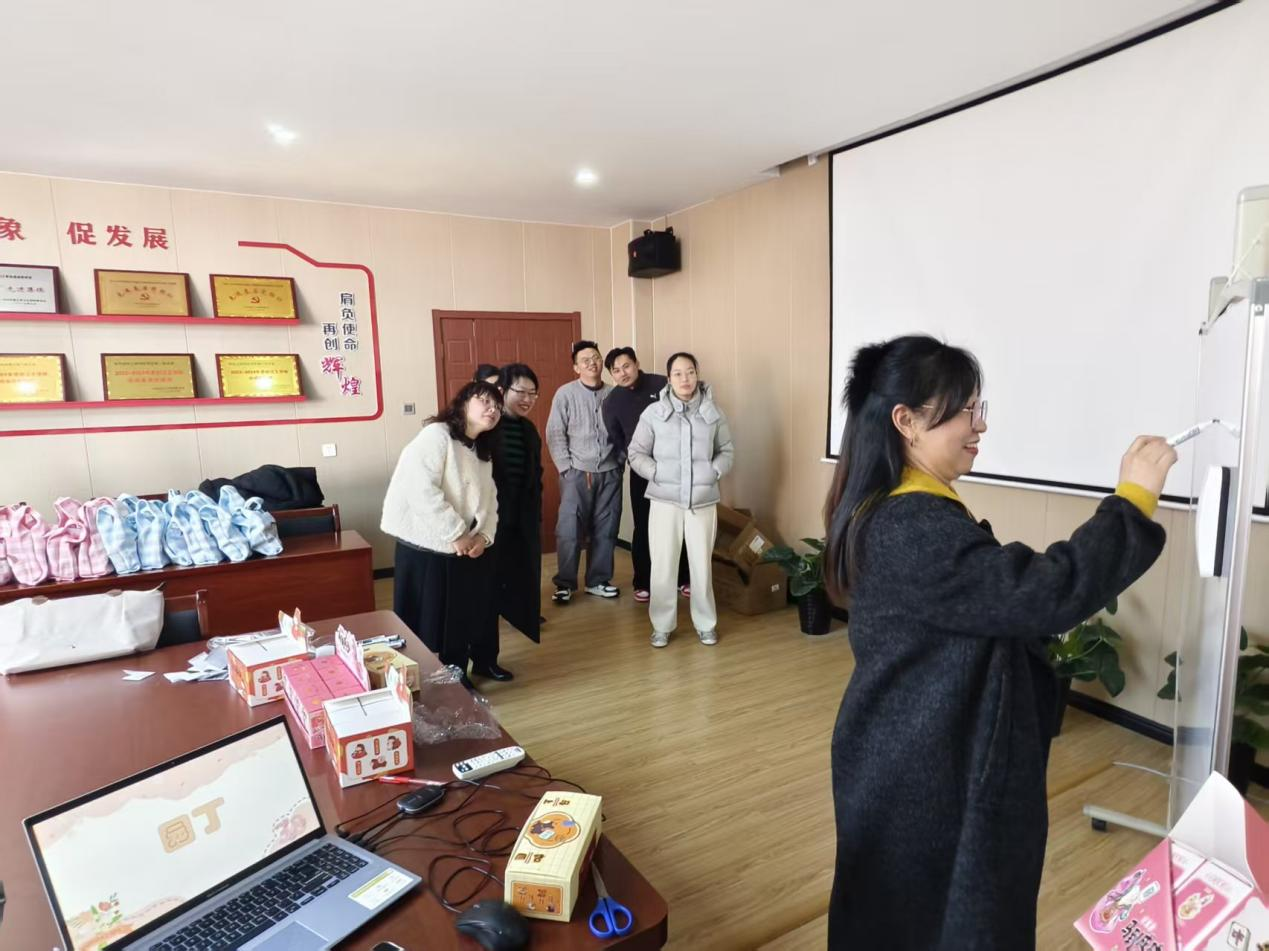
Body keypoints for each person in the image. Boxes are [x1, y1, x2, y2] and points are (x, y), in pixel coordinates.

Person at [821, 334, 1175, 950]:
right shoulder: (911, 523)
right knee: (944, 921)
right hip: (928, 768)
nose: (979, 425)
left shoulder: (899, 505)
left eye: (978, 408)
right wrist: (1132, 501)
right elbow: (1043, 592)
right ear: (906, 421)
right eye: (964, 410)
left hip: (912, 750)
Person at [381, 381, 503, 690]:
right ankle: (416, 680)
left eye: (497, 406)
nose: (493, 409)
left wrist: (483, 537)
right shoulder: (437, 435)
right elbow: (420, 489)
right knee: (425, 619)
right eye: (485, 401)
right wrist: (456, 533)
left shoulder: (481, 448)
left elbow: (490, 501)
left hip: (463, 547)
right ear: (463, 403)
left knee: (460, 615)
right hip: (425, 546)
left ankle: (455, 675)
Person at [627, 352, 734, 647]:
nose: (685, 378)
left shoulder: (713, 412)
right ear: (669, 378)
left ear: (697, 374)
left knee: (701, 565)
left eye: (690, 372)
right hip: (664, 500)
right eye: (678, 373)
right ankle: (662, 625)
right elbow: (636, 453)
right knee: (663, 564)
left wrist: (713, 471)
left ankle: (706, 623)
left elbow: (726, 450)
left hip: (702, 500)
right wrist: (657, 473)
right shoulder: (654, 413)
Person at [602, 346, 689, 603]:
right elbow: (617, 437)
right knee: (643, 525)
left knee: (678, 522)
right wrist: (635, 458)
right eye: (616, 370)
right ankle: (643, 581)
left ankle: (684, 578)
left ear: (636, 363)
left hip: (673, 467)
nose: (622, 373)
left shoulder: (661, 384)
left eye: (626, 366)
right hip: (641, 469)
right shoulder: (612, 401)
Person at [475, 362, 545, 682]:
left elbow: (534, 479)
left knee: (510, 586)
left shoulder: (529, 430)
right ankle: (470, 661)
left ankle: (487, 660)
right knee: (482, 594)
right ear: (501, 390)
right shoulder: (487, 427)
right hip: (486, 526)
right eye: (521, 391)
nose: (527, 399)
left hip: (518, 524)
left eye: (533, 393)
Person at [545, 340, 621, 603]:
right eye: (585, 360)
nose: (592, 363)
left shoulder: (614, 394)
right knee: (570, 529)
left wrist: (620, 461)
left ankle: (598, 581)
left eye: (596, 357)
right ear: (576, 367)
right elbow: (555, 433)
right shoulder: (565, 394)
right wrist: (566, 468)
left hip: (610, 472)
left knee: (607, 527)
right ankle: (565, 583)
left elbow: (625, 431)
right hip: (576, 471)